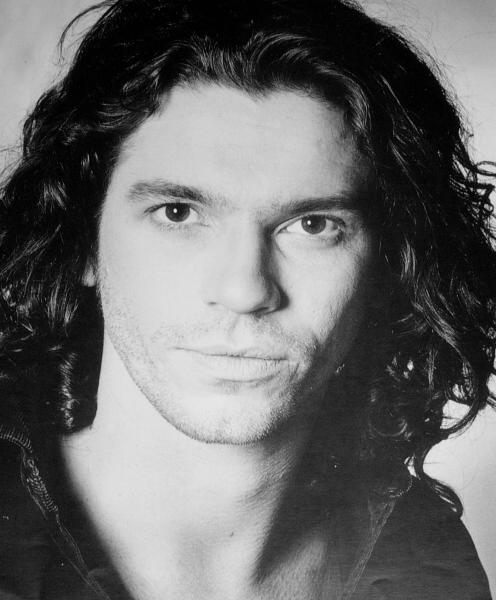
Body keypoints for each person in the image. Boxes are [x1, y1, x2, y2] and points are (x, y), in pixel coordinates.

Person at [0, 0, 494, 598]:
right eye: (177, 213)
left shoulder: (427, 564)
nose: (245, 290)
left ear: (391, 265)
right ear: (82, 240)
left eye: (313, 225)